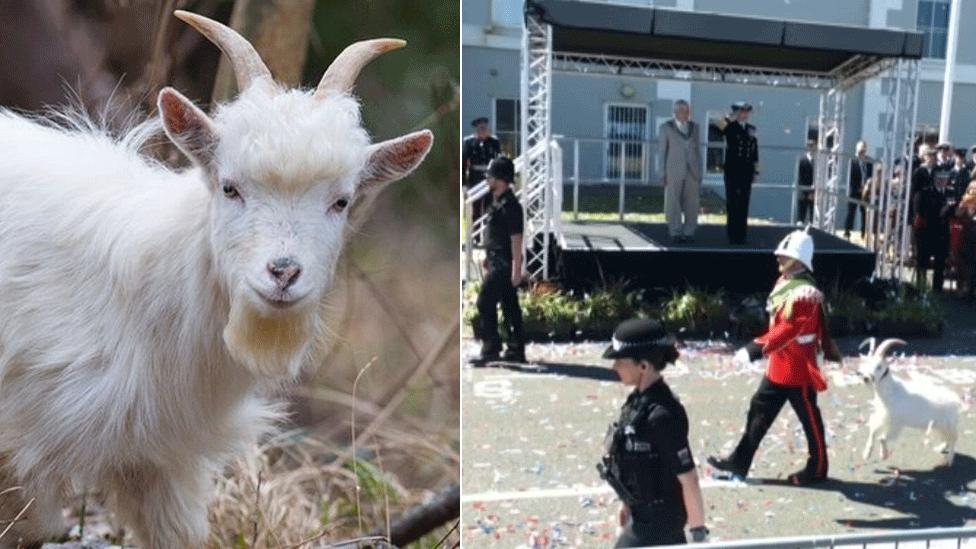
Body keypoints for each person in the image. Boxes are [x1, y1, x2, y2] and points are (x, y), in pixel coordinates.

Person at [708, 228, 842, 486]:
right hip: (780, 365)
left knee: (810, 421)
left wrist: (755, 348)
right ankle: (739, 460)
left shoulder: (805, 294)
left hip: (798, 367)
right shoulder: (788, 283)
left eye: (785, 255)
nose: (778, 258)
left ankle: (818, 467)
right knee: (759, 411)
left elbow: (788, 329)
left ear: (799, 260)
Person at [598, 318, 708, 547]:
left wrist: (698, 531)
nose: (614, 367)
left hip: (659, 522)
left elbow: (688, 478)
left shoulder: (662, 416)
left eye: (620, 361)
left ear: (644, 366)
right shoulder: (637, 403)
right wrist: (628, 503)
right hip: (644, 513)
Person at [471, 156, 526, 364]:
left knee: (484, 302)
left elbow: (516, 239)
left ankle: (491, 347)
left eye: (491, 176)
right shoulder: (498, 202)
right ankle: (515, 349)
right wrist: (486, 257)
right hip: (496, 260)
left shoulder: (511, 206)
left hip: (504, 264)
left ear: (501, 179)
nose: (488, 179)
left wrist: (516, 269)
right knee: (509, 305)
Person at [659, 100, 702, 243]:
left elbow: (697, 150)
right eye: (683, 111)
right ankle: (675, 231)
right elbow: (662, 152)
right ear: (676, 112)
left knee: (692, 203)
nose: (686, 114)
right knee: (673, 202)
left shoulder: (695, 127)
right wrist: (662, 174)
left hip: (692, 171)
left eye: (688, 111)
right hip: (673, 170)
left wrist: (700, 171)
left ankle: (689, 232)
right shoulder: (666, 127)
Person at [717, 102, 759, 245]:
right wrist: (729, 117)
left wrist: (756, 170)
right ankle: (732, 235)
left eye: (747, 112)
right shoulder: (730, 127)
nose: (745, 114)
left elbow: (754, 150)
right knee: (732, 202)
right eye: (742, 111)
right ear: (737, 112)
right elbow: (716, 129)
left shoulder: (751, 129)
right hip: (732, 170)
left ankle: (742, 235)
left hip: (746, 171)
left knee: (744, 203)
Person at [914, 162, 957, 293]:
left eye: (945, 177)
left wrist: (950, 210)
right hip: (927, 232)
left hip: (943, 233)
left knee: (940, 263)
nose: (943, 180)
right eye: (940, 177)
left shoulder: (950, 192)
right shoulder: (925, 193)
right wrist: (941, 211)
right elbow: (921, 212)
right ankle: (919, 289)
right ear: (935, 178)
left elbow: (955, 210)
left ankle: (937, 290)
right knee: (922, 262)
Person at [462, 117, 501, 222]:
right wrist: (464, 183)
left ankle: (488, 233)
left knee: (489, 208)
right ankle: (476, 235)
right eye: (480, 129)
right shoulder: (469, 142)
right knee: (476, 209)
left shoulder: (494, 142)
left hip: (490, 178)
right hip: (475, 178)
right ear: (476, 130)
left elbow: (498, 159)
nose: (483, 131)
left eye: (485, 128)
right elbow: (464, 163)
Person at [845, 141, 873, 240]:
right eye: (861, 148)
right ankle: (847, 232)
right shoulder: (853, 160)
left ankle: (863, 232)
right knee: (851, 212)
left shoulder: (869, 162)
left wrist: (867, 187)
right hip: (854, 190)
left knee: (864, 213)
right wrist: (858, 187)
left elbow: (871, 176)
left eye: (864, 147)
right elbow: (850, 177)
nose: (863, 150)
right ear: (857, 148)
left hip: (865, 191)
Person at [955, 181, 976, 299]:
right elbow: (957, 213)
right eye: (972, 190)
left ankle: (970, 289)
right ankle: (965, 288)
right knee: (965, 263)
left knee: (971, 264)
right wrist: (964, 206)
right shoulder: (965, 203)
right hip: (966, 237)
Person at [796, 140, 816, 224]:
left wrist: (813, 192)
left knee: (812, 215)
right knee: (801, 216)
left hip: (813, 192)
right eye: (810, 146)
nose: (812, 148)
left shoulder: (816, 161)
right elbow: (800, 178)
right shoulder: (802, 160)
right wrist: (807, 192)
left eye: (813, 146)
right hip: (804, 191)